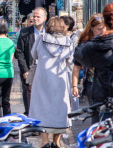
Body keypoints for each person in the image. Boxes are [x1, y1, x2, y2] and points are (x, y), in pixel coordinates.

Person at [29, 17, 73, 148]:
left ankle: (44, 141)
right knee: (59, 109)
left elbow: (33, 54)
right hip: (59, 79)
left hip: (42, 78)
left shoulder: (41, 38)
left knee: (41, 107)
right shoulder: (67, 41)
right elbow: (71, 61)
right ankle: (56, 141)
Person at [75, 3, 113, 123]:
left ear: (105, 22)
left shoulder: (97, 45)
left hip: (103, 99)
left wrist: (96, 39)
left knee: (101, 136)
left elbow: (79, 55)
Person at [15, 7, 47, 115]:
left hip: (45, 70)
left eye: (38, 16)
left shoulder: (49, 33)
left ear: (44, 18)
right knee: (28, 93)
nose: (35, 18)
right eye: (34, 16)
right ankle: (30, 116)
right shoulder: (24, 33)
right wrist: (24, 70)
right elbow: (19, 53)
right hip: (29, 68)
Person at [72, 14, 105, 104]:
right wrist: (74, 86)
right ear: (91, 28)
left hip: (109, 83)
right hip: (92, 84)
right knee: (95, 113)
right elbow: (77, 66)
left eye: (104, 28)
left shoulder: (110, 40)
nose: (103, 31)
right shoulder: (85, 45)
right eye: (99, 29)